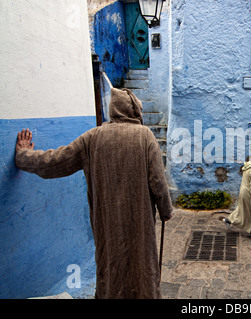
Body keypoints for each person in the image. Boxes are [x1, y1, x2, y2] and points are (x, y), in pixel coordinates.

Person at [15, 88, 173, 299]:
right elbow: (158, 183)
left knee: (110, 266)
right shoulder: (145, 137)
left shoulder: (92, 138)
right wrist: (166, 210)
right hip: (140, 226)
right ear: (136, 111)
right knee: (142, 268)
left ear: (113, 110)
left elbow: (55, 162)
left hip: (107, 225)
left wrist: (24, 155)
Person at [223, 152, 251, 240]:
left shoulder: (248, 166)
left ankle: (228, 220)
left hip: (244, 192)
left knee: (242, 211)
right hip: (250, 194)